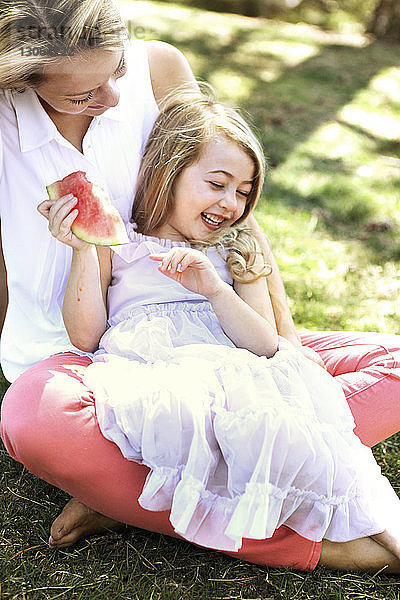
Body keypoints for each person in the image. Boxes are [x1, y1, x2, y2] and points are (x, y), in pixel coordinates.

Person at [0, 0, 400, 572]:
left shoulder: (157, 68)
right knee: (32, 422)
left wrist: (284, 350)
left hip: (223, 338)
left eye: (115, 72)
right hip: (91, 351)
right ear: (21, 79)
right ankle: (329, 548)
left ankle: (129, 488)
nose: (113, 99)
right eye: (80, 95)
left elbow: (233, 195)